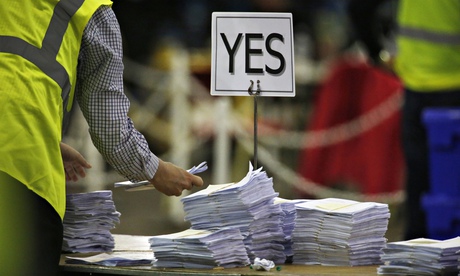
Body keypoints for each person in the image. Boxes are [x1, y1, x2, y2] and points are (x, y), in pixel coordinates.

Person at [0, 0, 203, 275]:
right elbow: (110, 129)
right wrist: (157, 170)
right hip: (20, 173)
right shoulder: (91, 9)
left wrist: (47, 140)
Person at [348, 0, 460, 240]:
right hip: (449, 90)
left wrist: (376, 53)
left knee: (419, 184)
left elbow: (359, 8)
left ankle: (418, 254)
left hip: (416, 86)